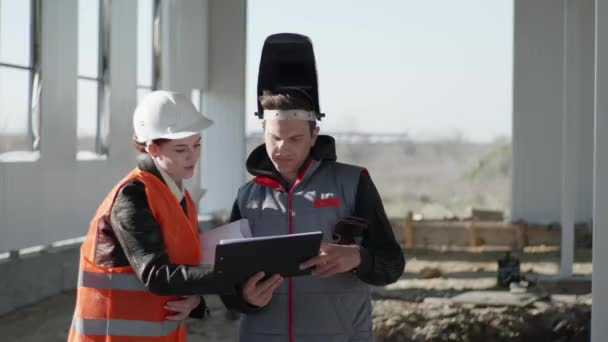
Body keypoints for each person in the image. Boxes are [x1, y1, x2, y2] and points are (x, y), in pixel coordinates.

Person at [221, 33, 405, 342]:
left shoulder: (353, 182)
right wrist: (243, 299)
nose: (282, 149)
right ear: (263, 130)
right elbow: (225, 281)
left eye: (294, 139)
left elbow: (392, 263)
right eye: (274, 138)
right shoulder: (247, 197)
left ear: (314, 133)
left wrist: (359, 257)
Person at [67, 91, 266, 342]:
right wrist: (228, 273)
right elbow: (157, 275)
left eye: (197, 144)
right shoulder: (133, 197)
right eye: (181, 148)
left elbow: (182, 270)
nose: (193, 156)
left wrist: (195, 300)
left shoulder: (179, 198)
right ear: (152, 148)